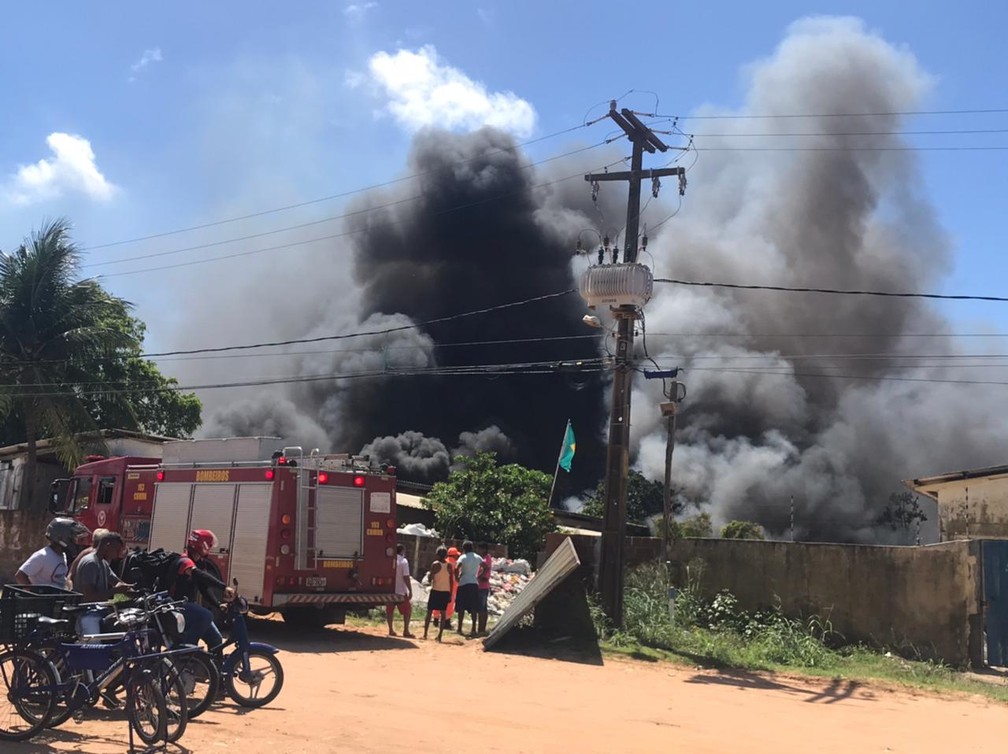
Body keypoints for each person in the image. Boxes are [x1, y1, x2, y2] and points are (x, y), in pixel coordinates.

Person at [172, 530, 229, 651]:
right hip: (177, 606)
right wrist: (224, 587)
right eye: (209, 546)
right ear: (202, 546)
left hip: (189, 605)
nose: (210, 549)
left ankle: (214, 669)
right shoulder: (184, 561)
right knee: (206, 616)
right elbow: (199, 575)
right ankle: (187, 652)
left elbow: (204, 588)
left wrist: (218, 605)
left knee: (216, 639)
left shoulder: (200, 563)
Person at [74, 532, 134, 635]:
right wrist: (116, 591)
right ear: (108, 545)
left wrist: (135, 592)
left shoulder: (103, 563)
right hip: (87, 615)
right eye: (117, 549)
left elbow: (117, 582)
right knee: (95, 647)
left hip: (100, 611)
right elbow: (89, 596)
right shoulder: (91, 563)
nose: (118, 553)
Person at [16, 517, 90, 589]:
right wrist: (33, 593)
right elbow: (20, 575)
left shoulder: (62, 556)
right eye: (73, 539)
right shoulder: (43, 556)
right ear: (62, 537)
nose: (75, 542)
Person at [423, 546, 455, 642]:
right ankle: (440, 636)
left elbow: (430, 579)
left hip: (436, 590)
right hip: (445, 591)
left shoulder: (435, 564)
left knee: (429, 612)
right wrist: (450, 593)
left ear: (437, 554)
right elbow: (451, 581)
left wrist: (429, 575)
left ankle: (425, 634)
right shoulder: (449, 566)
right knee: (443, 613)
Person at [454, 540, 482, 637]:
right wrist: (478, 575)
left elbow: (456, 568)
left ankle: (459, 628)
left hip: (463, 583)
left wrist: (457, 577)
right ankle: (473, 628)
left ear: (464, 549)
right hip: (474, 583)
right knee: (473, 606)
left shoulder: (462, 557)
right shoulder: (478, 557)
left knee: (461, 606)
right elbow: (485, 567)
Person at [386, 543, 414, 638]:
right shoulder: (404, 561)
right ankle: (406, 630)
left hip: (390, 590)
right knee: (407, 610)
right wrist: (410, 589)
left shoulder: (390, 561)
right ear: (402, 551)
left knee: (390, 610)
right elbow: (406, 577)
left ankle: (390, 630)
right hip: (401, 590)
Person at [477, 542, 493, 635]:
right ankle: (481, 628)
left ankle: (481, 629)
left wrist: (478, 577)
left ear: (484, 549)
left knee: (481, 609)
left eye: (480, 549)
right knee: (483, 608)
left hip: (483, 585)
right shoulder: (483, 558)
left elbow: (485, 569)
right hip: (482, 585)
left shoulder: (486, 558)